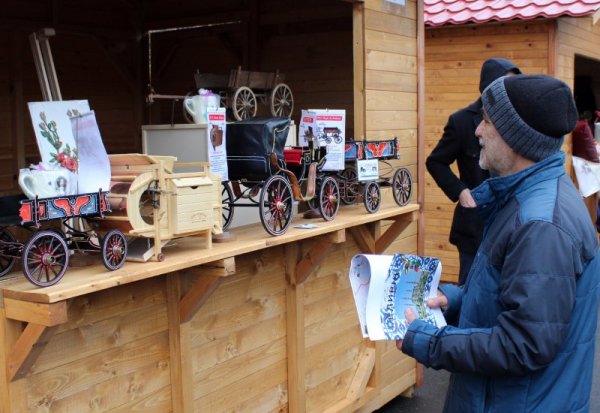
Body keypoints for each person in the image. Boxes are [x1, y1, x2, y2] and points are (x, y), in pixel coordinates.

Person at [398, 74, 600, 412]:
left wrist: (432, 341)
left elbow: (524, 343)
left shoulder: (541, 225)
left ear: (514, 137)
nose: (477, 130)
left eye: (487, 121)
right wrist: (456, 300)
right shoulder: (523, 196)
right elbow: (513, 293)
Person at [426, 58, 521, 285]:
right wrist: (461, 191)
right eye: (506, 85)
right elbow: (435, 162)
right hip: (473, 225)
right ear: (489, 86)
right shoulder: (461, 122)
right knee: (468, 291)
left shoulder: (517, 121)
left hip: (509, 221)